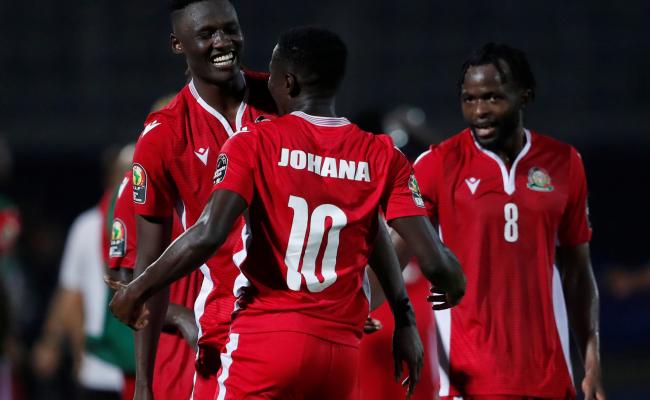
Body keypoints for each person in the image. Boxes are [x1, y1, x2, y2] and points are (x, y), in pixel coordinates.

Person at [110, 27, 465, 399]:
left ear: (288, 82)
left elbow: (208, 232)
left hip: (267, 340)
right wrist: (432, 297)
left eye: (272, 72)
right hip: (339, 354)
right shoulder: (381, 154)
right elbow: (419, 254)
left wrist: (137, 290)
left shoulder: (255, 142)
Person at [399, 43, 605, 399]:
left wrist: (592, 358)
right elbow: (392, 255)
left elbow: (577, 270)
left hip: (550, 381)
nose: (479, 110)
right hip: (468, 383)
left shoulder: (564, 163)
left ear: (525, 95)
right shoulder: (437, 164)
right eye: (469, 99)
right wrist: (353, 309)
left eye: (492, 98)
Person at [127, 0, 277, 398]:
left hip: (300, 320)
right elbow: (150, 263)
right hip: (226, 327)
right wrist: (144, 384)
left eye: (230, 29)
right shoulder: (164, 136)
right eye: (207, 34)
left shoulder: (284, 99)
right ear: (178, 44)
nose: (223, 41)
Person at [32, 145, 135, 400]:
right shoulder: (88, 227)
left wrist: (54, 343)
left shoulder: (87, 225)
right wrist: (57, 343)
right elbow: (70, 294)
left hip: (124, 366)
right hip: (108, 364)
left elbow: (70, 294)